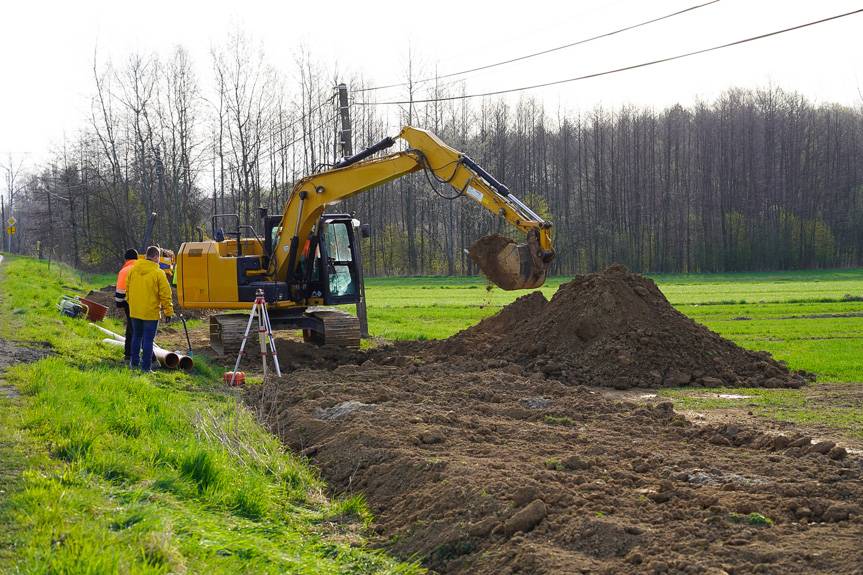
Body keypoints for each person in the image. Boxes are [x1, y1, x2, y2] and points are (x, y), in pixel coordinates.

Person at [126, 245, 174, 372]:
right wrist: (168, 311)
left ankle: (134, 364)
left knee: (136, 337)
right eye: (159, 257)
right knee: (148, 340)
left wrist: (131, 303)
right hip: (150, 312)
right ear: (156, 257)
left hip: (135, 311)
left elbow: (128, 289)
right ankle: (146, 368)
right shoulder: (158, 273)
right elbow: (165, 294)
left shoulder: (132, 270)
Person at [114, 248, 138, 362]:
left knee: (133, 329)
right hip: (145, 302)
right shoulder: (142, 268)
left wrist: (119, 304)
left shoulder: (124, 271)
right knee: (132, 328)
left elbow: (120, 291)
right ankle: (129, 354)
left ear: (126, 259)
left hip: (129, 303)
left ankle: (133, 356)